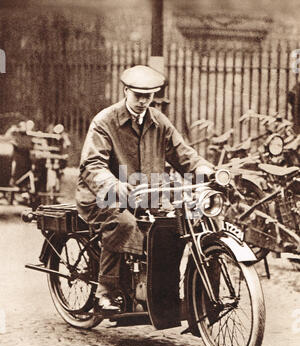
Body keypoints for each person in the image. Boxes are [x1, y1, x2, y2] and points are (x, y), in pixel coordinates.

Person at [76, 65, 214, 314]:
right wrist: (113, 184)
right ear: (125, 90)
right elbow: (92, 164)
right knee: (123, 223)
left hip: (144, 196)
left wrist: (206, 170)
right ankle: (104, 291)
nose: (142, 101)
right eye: (137, 94)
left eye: (148, 96)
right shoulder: (105, 121)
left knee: (173, 225)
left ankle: (162, 294)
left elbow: (183, 154)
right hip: (101, 195)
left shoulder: (158, 121)